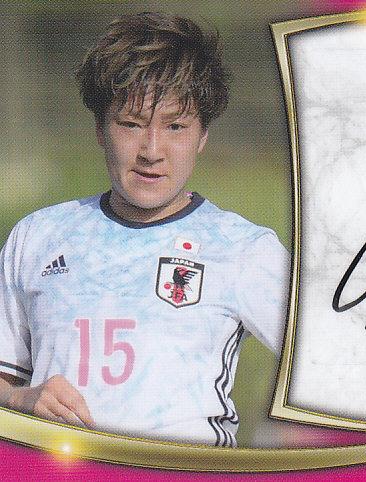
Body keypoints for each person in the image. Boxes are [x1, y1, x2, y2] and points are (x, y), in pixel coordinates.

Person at [0, 12, 288, 447]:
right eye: (131, 124)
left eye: (175, 127)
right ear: (100, 129)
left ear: (202, 136)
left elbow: (343, 367)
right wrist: (23, 399)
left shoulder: (244, 250)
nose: (152, 151)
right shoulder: (37, 237)